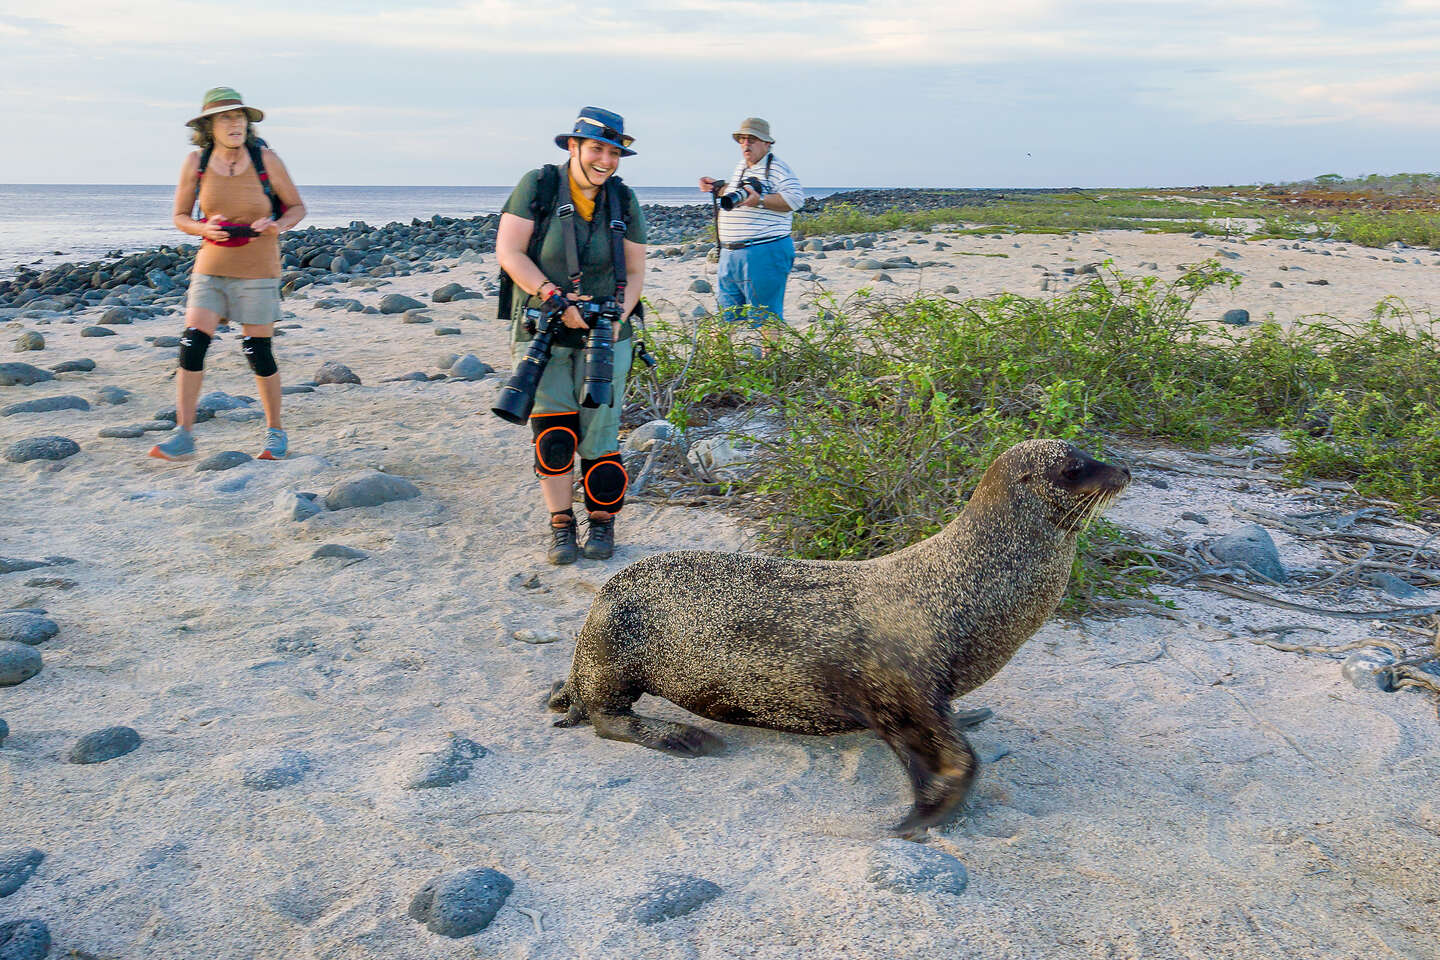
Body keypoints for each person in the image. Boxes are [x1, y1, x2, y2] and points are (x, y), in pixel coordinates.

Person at [495, 107, 647, 564]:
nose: (605, 160)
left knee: (600, 433)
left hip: (606, 333)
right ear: (573, 146)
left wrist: (615, 316)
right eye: (596, 149)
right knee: (554, 432)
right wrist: (554, 297)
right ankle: (561, 524)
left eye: (614, 152)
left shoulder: (622, 199)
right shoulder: (538, 186)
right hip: (544, 325)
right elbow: (510, 251)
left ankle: (602, 525)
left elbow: (637, 270)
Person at [150, 87, 306, 462]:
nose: (235, 123)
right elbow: (180, 217)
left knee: (257, 350)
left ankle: (275, 433)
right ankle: (184, 433)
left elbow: (297, 208)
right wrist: (203, 229)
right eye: (226, 117)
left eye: (240, 116)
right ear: (209, 126)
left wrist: (277, 225)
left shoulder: (266, 159)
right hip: (212, 266)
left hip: (258, 268)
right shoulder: (196, 163)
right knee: (192, 342)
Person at [696, 118, 804, 345]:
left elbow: (795, 199)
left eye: (752, 139)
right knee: (726, 316)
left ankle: (773, 368)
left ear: (766, 143)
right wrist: (718, 187)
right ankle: (718, 368)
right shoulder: (743, 166)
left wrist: (761, 200)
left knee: (766, 317)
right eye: (742, 139)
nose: (746, 144)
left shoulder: (776, 168)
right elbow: (738, 195)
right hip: (731, 254)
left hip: (763, 250)